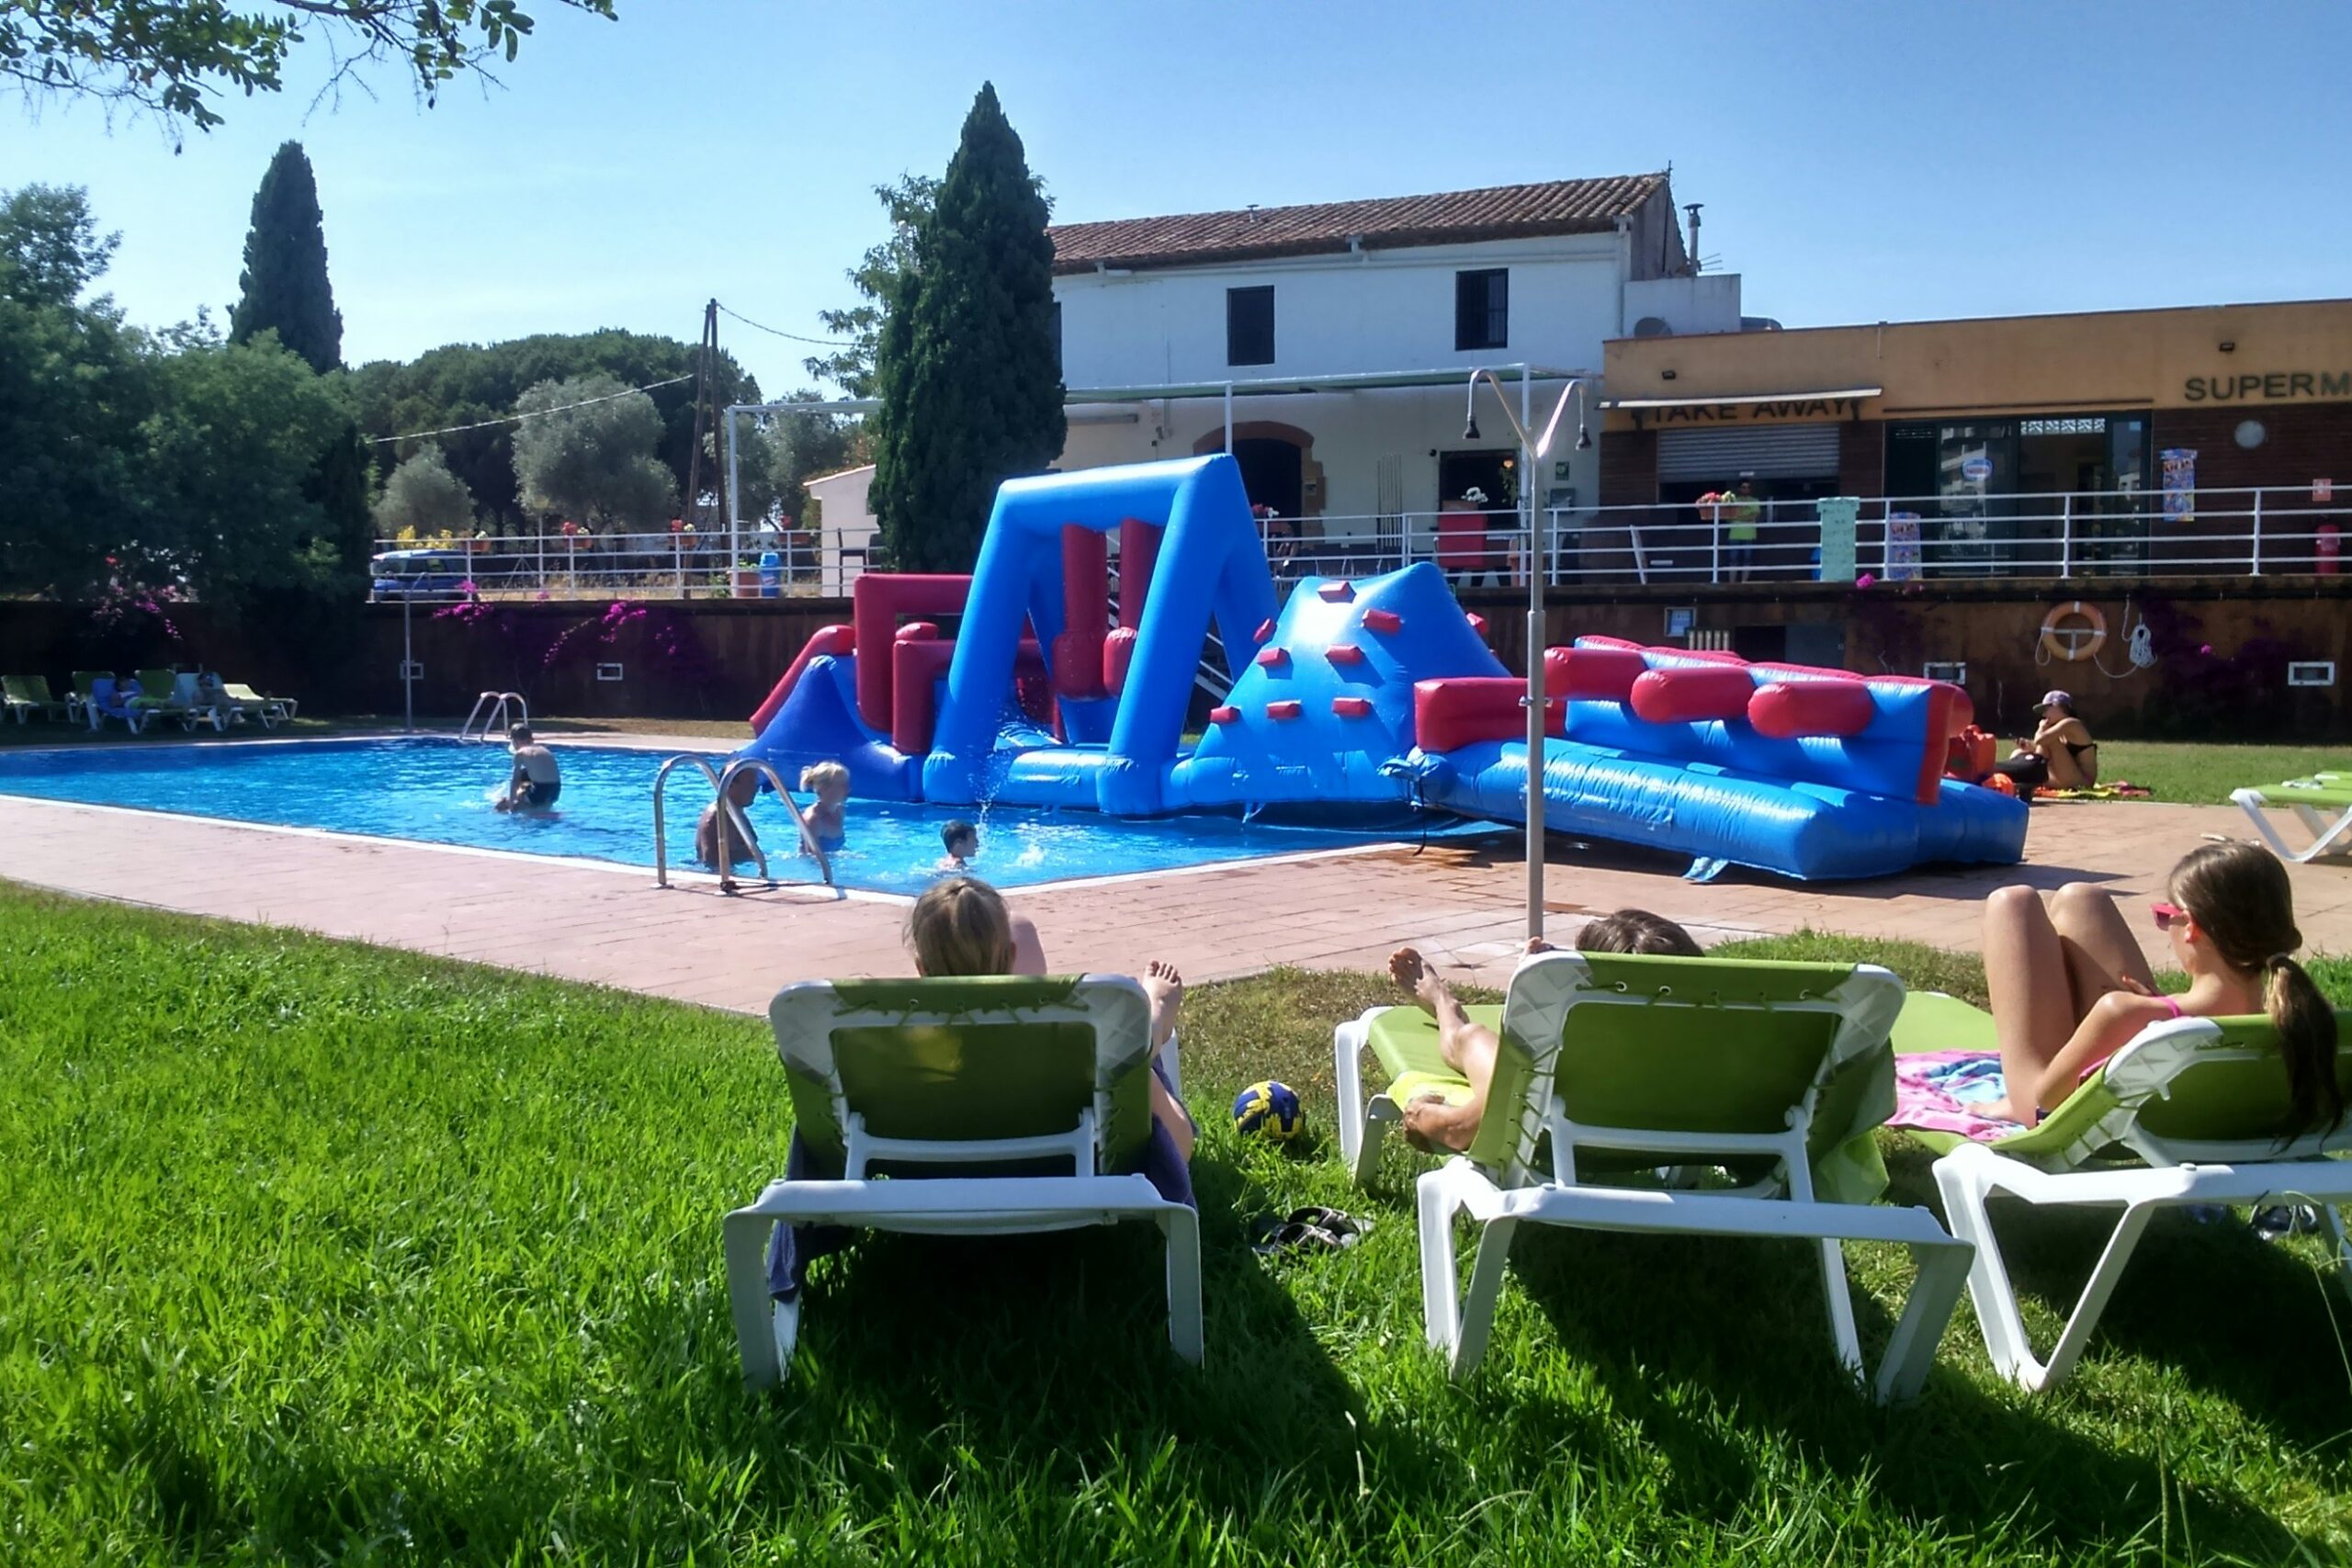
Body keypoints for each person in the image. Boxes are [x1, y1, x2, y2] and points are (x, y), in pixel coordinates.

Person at [765, 875, 1193, 1300]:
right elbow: (1177, 1137)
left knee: (1132, 1049)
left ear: (921, 969)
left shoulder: (888, 1049)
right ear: (1012, 955)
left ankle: (1151, 1027)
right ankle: (1155, 1020)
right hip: (1055, 1168)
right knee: (1133, 1051)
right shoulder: (1070, 1039)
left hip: (923, 1173)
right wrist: (1148, 1029)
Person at [1976, 841, 2341, 1131]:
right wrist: (2152, 1013)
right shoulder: (2306, 1021)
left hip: (2082, 1119)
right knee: (2082, 898)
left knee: (2012, 903)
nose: (2166, 927)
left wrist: (2130, 1018)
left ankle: (2010, 1103)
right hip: (2190, 1117)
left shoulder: (2123, 1013)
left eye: (2166, 916)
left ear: (2191, 928)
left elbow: (2047, 1099)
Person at [1391, 909, 1705, 1154]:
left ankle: (1445, 1006)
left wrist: (1419, 1114)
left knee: (1470, 1038)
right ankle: (1536, 987)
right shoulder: (1710, 1056)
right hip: (1684, 1137)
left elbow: (1460, 1129)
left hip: (1568, 1139)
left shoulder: (1571, 1069)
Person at [1994, 690, 2098, 792]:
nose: (2044, 715)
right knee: (2019, 753)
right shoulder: (2058, 730)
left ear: (2057, 706)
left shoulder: (2071, 723)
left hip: (2081, 782)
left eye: (2046, 709)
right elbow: (2049, 752)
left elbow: (2041, 740)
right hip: (2063, 778)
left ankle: (2027, 775)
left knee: (2049, 741)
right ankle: (2020, 777)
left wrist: (2041, 727)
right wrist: (2031, 748)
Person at [695, 767, 762, 870]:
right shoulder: (717, 817)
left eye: (756, 784)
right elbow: (712, 862)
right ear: (730, 785)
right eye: (750, 784)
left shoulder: (735, 811)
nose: (756, 789)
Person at [494, 723, 560, 812]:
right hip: (555, 792)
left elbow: (515, 780)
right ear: (532, 739)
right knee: (525, 775)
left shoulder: (520, 753)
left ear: (514, 741)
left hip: (539, 793)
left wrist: (511, 803)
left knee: (501, 806)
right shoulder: (544, 749)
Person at [798, 761, 850, 849]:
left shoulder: (839, 811)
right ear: (824, 788)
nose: (847, 789)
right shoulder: (813, 820)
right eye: (841, 785)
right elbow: (809, 855)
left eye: (846, 784)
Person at [1724, 478, 1762, 582]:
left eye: (1748, 487)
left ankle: (1744, 583)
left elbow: (1754, 516)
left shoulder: (1755, 501)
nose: (1746, 489)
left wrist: (1738, 517)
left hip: (1749, 535)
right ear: (1739, 488)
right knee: (1732, 559)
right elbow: (1729, 516)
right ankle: (1732, 583)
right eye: (1744, 487)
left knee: (1747, 559)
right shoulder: (1733, 501)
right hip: (1734, 534)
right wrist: (1746, 517)